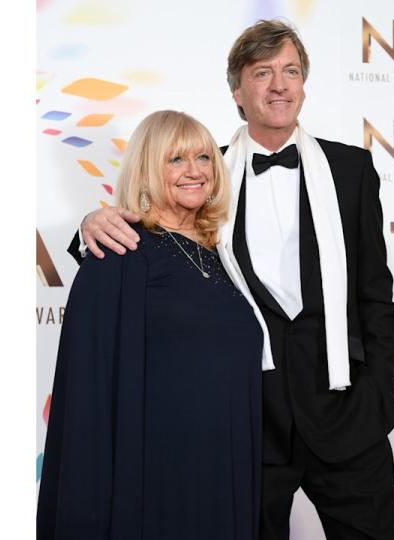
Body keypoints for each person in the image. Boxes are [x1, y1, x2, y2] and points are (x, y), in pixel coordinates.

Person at [74, 20, 394, 540]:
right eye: (263, 73)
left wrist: (379, 399)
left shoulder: (352, 169)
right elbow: (159, 237)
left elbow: (376, 297)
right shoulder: (209, 173)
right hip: (250, 427)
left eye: (291, 71)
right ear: (237, 92)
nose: (280, 85)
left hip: (346, 418)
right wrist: (89, 226)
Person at [37, 110, 264, 540]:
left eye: (203, 157)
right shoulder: (121, 252)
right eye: (175, 160)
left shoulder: (222, 252)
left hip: (224, 469)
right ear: (146, 169)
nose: (194, 171)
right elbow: (89, 394)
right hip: (158, 479)